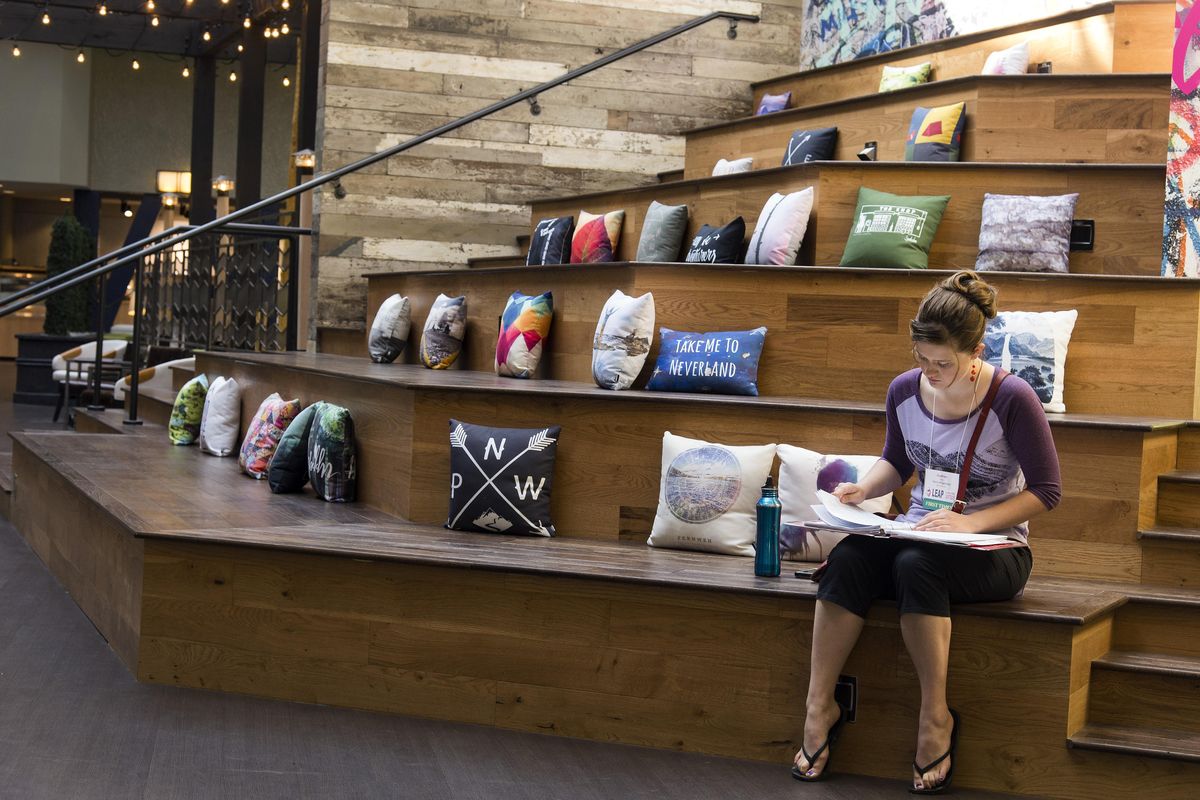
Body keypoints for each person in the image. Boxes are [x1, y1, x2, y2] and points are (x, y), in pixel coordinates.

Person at [791, 270, 1061, 793]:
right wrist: (861, 489)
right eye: (921, 359)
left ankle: (934, 717)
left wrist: (971, 521)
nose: (930, 372)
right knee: (849, 558)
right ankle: (817, 707)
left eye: (944, 363)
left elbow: (1047, 491)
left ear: (976, 351)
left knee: (918, 567)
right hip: (921, 534)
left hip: (995, 548)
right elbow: (896, 462)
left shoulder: (1013, 398)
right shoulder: (903, 391)